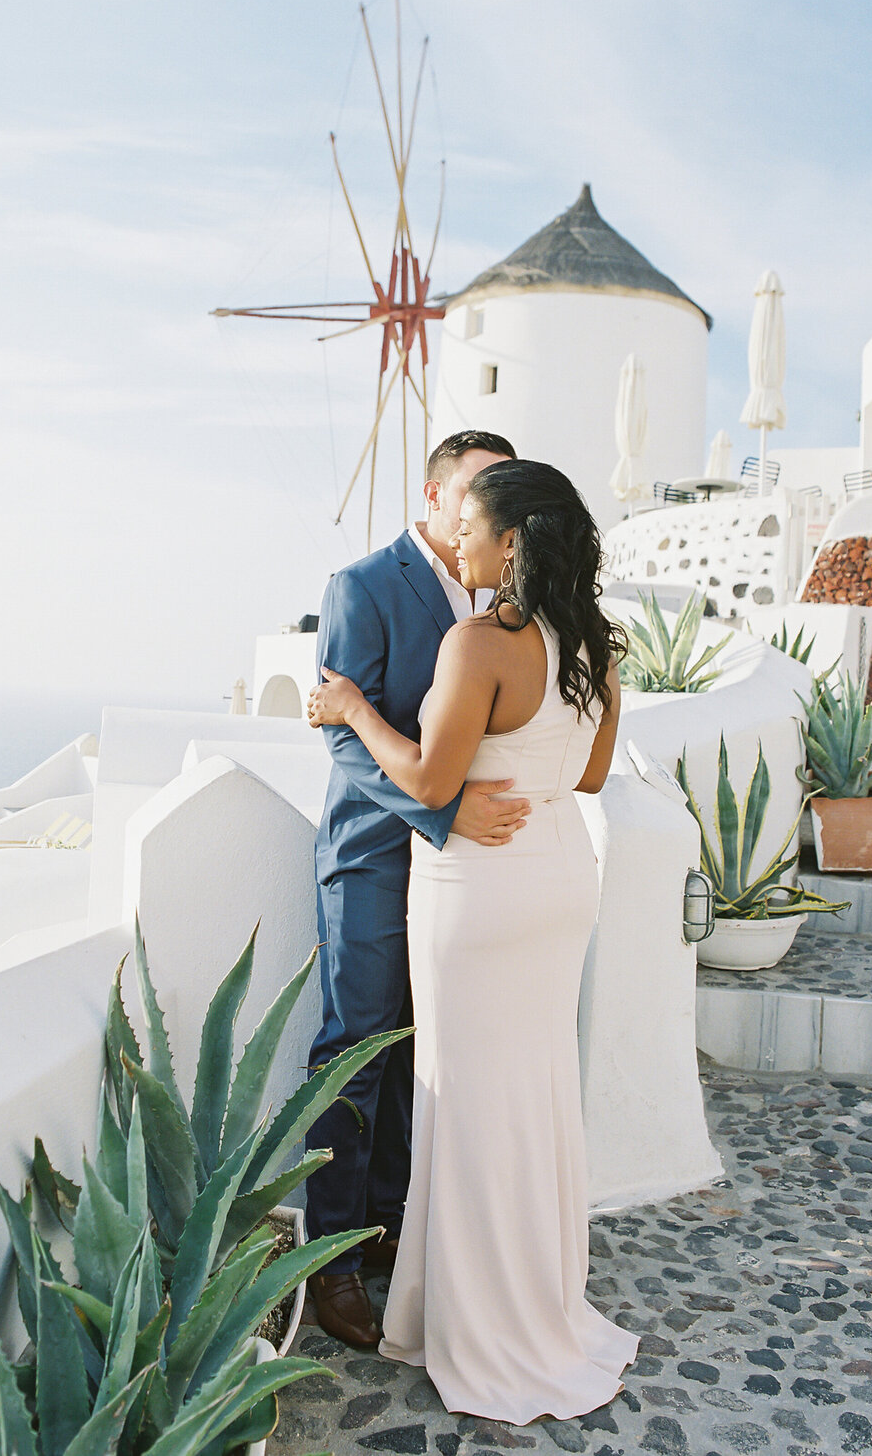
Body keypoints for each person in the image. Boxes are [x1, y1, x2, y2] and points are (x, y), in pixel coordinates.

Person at [307, 458, 638, 1424]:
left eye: (480, 529)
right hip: (558, 877)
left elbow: (424, 781)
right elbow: (588, 777)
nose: (464, 543)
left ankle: (476, 1318)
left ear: (513, 543)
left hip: (482, 891)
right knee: (533, 1086)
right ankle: (535, 1300)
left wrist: (354, 709)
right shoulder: (598, 645)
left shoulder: (477, 641)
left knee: (462, 1093)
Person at [305, 430, 528, 1350]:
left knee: (425, 1049)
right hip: (372, 858)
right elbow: (344, 736)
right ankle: (329, 1263)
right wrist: (442, 816)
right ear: (434, 494)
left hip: (464, 873)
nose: (485, 509)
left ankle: (393, 1223)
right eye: (475, 490)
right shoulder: (361, 584)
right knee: (357, 1047)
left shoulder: (504, 599)